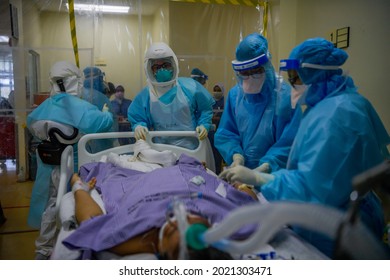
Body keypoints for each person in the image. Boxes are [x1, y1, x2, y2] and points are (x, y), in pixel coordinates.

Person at [219, 37, 390, 257]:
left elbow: (313, 187)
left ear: (315, 74)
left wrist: (260, 177)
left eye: (296, 77)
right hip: (325, 213)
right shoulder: (329, 106)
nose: (292, 84)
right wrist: (238, 157)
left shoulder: (338, 117)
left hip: (338, 226)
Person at [62, 154, 257, 259]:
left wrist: (78, 185)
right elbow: (250, 201)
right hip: (191, 174)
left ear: (162, 252)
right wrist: (242, 184)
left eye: (171, 231)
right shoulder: (238, 226)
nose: (179, 217)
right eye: (194, 224)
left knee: (113, 176)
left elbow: (91, 222)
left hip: (144, 184)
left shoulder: (136, 240)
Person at [26, 61, 114, 260]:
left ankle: (43, 250)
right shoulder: (81, 108)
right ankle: (74, 246)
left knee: (50, 206)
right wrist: (106, 112)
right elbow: (102, 124)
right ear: (76, 82)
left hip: (48, 166)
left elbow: (33, 126)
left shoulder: (43, 107)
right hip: (73, 165)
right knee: (74, 202)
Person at [215, 33, 301, 172]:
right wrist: (236, 157)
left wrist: (265, 168)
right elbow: (226, 132)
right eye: (244, 73)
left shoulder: (285, 97)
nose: (249, 77)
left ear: (266, 66)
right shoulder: (235, 95)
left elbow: (289, 143)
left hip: (275, 177)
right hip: (241, 173)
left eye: (255, 71)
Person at [128, 42, 215, 150]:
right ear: (149, 69)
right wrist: (139, 126)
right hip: (161, 150)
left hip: (193, 148)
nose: (162, 70)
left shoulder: (190, 87)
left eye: (165, 65)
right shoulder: (145, 96)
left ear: (174, 65)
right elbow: (137, 117)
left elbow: (205, 109)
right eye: (156, 67)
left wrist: (203, 124)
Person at [82, 66, 118, 152]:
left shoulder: (81, 96)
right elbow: (108, 125)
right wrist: (115, 140)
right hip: (102, 146)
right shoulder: (99, 98)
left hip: (85, 145)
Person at [209, 83, 225, 173]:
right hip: (211, 132)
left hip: (221, 131)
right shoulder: (210, 101)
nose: (216, 92)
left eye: (218, 90)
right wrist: (212, 117)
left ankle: (219, 172)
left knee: (219, 154)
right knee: (212, 154)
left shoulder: (225, 101)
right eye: (215, 90)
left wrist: (219, 117)